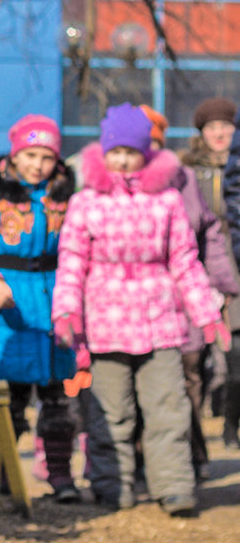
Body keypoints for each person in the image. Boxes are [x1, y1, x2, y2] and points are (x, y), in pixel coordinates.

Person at [53, 103, 226, 517]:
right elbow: (72, 260)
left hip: (160, 323)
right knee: (110, 411)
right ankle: (112, 485)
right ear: (104, 151)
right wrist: (66, 313)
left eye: (132, 151)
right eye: (116, 151)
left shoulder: (166, 200)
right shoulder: (86, 201)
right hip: (106, 322)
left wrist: (207, 313)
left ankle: (175, 486)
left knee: (168, 407)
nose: (124, 159)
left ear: (146, 152)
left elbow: (185, 260)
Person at [0, 114, 80, 502]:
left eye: (46, 156)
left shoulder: (65, 199)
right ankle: (4, 471)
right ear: (15, 154)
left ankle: (61, 477)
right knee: (11, 400)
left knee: (59, 399)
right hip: (7, 311)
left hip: (55, 302)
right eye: (30, 154)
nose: (37, 164)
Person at [143, 106, 237, 479]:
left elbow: (205, 237)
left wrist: (224, 286)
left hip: (190, 294)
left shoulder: (182, 181)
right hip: (127, 308)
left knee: (192, 375)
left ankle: (191, 456)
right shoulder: (105, 193)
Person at [180, 97, 240, 450]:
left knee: (234, 359)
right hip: (198, 273)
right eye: (211, 127)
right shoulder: (189, 172)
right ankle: (195, 441)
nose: (219, 133)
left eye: (225, 126)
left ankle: (231, 423)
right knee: (194, 362)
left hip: (233, 272)